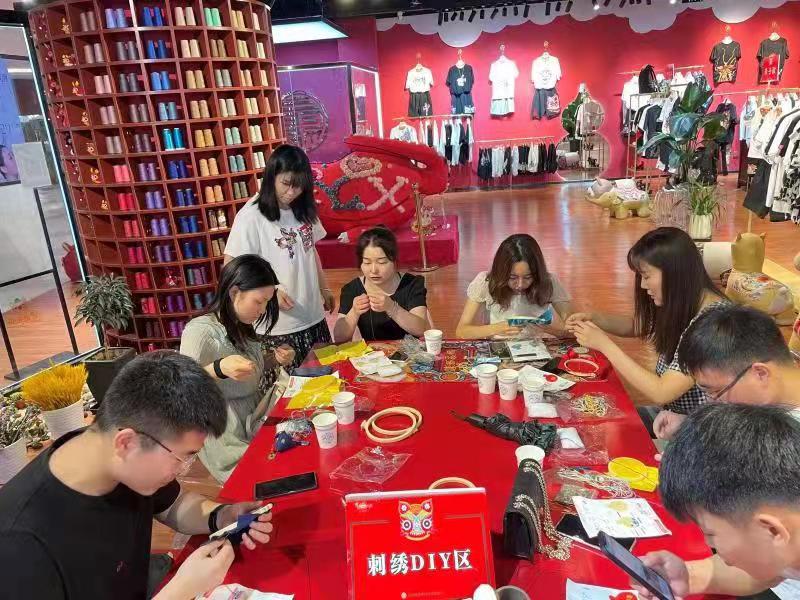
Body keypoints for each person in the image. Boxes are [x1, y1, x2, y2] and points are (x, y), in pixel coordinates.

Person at [0, 351, 274, 599]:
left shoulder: (113, 452)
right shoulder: (22, 545)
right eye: (182, 457)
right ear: (127, 443)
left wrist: (221, 516)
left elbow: (173, 505)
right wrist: (181, 591)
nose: (182, 469)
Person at [632, 403, 800, 600]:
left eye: (710, 533)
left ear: (772, 530)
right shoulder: (786, 534)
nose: (708, 542)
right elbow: (768, 566)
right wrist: (688, 576)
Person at [566, 227, 726, 417]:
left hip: (695, 424)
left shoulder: (713, 323)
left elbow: (662, 391)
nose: (642, 285)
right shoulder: (686, 299)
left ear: (674, 273)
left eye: (647, 276)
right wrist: (595, 319)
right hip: (672, 414)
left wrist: (604, 345)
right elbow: (639, 325)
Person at [180, 254, 295, 482]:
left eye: (267, 302)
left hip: (253, 417)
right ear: (234, 292)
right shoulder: (201, 331)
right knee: (263, 481)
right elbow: (180, 384)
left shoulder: (241, 325)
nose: (263, 310)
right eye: (259, 301)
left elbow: (247, 369)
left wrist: (275, 359)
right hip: (227, 435)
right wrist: (219, 368)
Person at [224, 144, 335, 375]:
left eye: (299, 185)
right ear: (271, 176)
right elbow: (232, 267)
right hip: (278, 325)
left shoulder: (303, 209)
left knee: (325, 383)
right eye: (286, 183)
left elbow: (310, 250)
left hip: (313, 316)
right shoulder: (251, 216)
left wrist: (324, 288)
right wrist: (272, 291)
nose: (292, 192)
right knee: (288, 390)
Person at [654, 303, 800, 440]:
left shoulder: (787, 441)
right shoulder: (776, 394)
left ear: (761, 374)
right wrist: (686, 424)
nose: (712, 403)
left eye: (716, 392)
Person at [456, 233, 573, 339]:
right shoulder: (486, 282)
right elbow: (462, 331)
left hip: (540, 346)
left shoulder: (548, 282)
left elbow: (572, 330)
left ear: (537, 273)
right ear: (501, 272)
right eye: (512, 278)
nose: (520, 284)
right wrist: (498, 328)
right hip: (500, 348)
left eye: (528, 277)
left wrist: (550, 329)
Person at [334, 227, 429, 342]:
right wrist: (354, 312)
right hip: (372, 353)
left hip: (410, 351)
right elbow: (339, 338)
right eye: (367, 262)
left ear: (394, 261)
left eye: (382, 262)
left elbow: (421, 329)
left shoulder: (412, 284)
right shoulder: (352, 289)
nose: (374, 270)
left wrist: (392, 308)